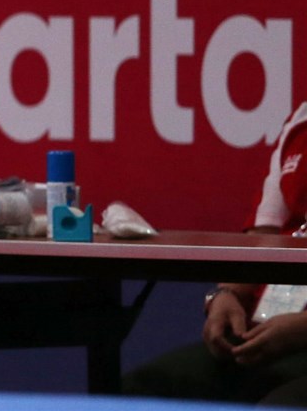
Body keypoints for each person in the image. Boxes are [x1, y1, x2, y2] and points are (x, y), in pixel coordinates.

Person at [123, 102, 307, 406]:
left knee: (278, 403)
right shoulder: (300, 121)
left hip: (297, 336)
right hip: (265, 331)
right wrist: (226, 294)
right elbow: (262, 235)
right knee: (141, 390)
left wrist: (302, 329)